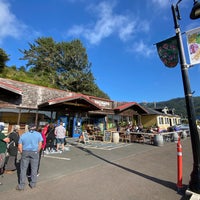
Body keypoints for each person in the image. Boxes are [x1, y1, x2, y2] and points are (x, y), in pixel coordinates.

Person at [16, 124, 43, 191]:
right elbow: (40, 144)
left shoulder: (23, 135)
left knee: (23, 169)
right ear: (35, 128)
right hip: (34, 152)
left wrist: (22, 152)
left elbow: (19, 146)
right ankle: (33, 184)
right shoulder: (38, 134)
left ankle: (21, 185)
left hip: (25, 151)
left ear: (28, 128)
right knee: (34, 168)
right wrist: (37, 151)